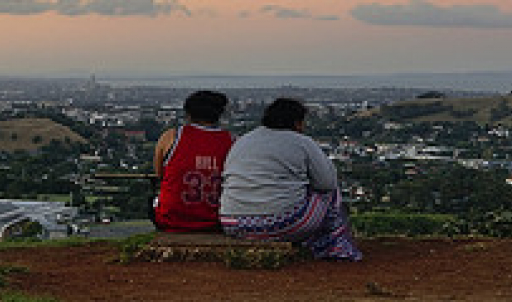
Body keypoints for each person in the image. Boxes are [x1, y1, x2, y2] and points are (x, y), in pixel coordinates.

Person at [218, 97, 361, 260]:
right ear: (297, 122)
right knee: (331, 193)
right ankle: (334, 248)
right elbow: (326, 183)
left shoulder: (243, 140)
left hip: (232, 223)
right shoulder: (302, 142)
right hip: (282, 224)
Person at [151, 90, 233, 232]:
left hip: (170, 220)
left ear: (188, 114)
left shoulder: (171, 137)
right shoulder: (231, 142)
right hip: (215, 221)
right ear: (220, 114)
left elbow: (159, 174)